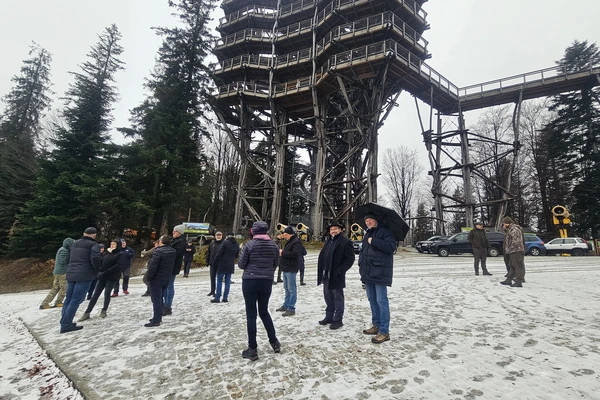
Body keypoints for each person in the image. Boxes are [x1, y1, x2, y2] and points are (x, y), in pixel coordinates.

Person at [238, 221, 281, 361]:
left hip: (250, 281)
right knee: (264, 311)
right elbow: (276, 263)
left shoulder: (249, 245)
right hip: (266, 282)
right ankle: (274, 342)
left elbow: (241, 264)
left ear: (253, 231)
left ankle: (252, 348)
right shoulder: (274, 245)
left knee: (251, 315)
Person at [358, 215, 397, 344]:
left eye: (370, 219)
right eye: (366, 220)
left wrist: (374, 241)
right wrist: (361, 266)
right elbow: (363, 252)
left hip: (380, 272)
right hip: (368, 272)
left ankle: (384, 332)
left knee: (381, 301)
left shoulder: (385, 231)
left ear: (376, 220)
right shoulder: (368, 233)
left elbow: (391, 247)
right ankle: (376, 325)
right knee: (372, 300)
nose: (367, 222)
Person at [59, 227, 101, 334]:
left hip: (71, 274)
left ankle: (65, 321)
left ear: (84, 233)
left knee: (68, 299)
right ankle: (66, 324)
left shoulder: (74, 243)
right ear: (94, 235)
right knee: (76, 299)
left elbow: (68, 259)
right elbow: (95, 259)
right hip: (84, 275)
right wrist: (97, 271)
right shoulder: (93, 245)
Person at [316, 221, 355, 329]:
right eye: (331, 229)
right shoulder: (329, 240)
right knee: (328, 297)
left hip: (336, 275)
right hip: (326, 273)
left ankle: (338, 319)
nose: (333, 231)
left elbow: (350, 258)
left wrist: (341, 270)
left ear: (341, 230)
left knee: (338, 298)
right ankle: (329, 317)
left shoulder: (345, 242)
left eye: (336, 229)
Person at [78, 239, 125, 321]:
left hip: (112, 277)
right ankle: (87, 312)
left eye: (114, 244)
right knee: (95, 294)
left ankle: (104, 310)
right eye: (111, 244)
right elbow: (100, 263)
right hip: (102, 276)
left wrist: (105, 272)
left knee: (107, 293)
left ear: (118, 245)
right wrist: (99, 272)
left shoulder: (120, 254)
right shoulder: (105, 253)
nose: (112, 245)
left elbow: (117, 266)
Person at [145, 235, 176, 327]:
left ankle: (156, 319)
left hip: (157, 278)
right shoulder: (173, 251)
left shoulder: (158, 252)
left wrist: (149, 277)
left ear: (161, 241)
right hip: (166, 277)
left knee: (156, 299)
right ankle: (158, 317)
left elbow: (153, 266)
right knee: (160, 297)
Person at [276, 226, 305, 316]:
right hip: (286, 267)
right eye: (284, 235)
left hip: (291, 268)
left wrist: (282, 253)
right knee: (287, 288)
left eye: (285, 235)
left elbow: (295, 254)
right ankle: (286, 305)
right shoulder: (290, 241)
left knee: (292, 289)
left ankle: (291, 308)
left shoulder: (296, 242)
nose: (284, 236)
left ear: (290, 234)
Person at [40, 238, 74, 309]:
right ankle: (58, 302)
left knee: (56, 288)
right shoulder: (64, 251)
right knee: (64, 288)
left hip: (58, 272)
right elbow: (63, 261)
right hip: (62, 272)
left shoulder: (62, 249)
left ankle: (45, 303)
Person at [163, 224, 186, 315]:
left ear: (179, 232)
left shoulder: (181, 242)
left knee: (169, 286)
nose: (173, 232)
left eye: (175, 231)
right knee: (166, 286)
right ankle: (165, 305)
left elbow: (173, 254)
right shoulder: (174, 240)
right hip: (168, 266)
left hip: (173, 266)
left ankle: (168, 306)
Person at [211, 232, 240, 303]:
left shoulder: (225, 242)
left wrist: (214, 263)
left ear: (227, 236)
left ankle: (217, 298)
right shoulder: (236, 244)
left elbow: (219, 253)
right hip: (230, 264)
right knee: (227, 281)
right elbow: (236, 255)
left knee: (219, 281)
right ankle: (225, 298)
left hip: (222, 264)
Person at [500, 217, 526, 288]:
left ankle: (519, 281)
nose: (503, 224)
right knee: (511, 265)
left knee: (517, 266)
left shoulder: (514, 230)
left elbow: (516, 241)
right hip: (511, 251)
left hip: (516, 250)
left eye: (504, 223)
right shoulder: (509, 229)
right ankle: (509, 279)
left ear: (507, 223)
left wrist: (510, 248)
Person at [205, 231, 224, 296]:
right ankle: (212, 291)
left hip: (220, 263)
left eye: (220, 235)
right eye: (217, 235)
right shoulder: (212, 243)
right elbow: (209, 253)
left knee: (219, 278)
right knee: (212, 277)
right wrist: (207, 261)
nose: (218, 236)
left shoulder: (224, 243)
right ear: (215, 236)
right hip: (212, 263)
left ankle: (218, 292)